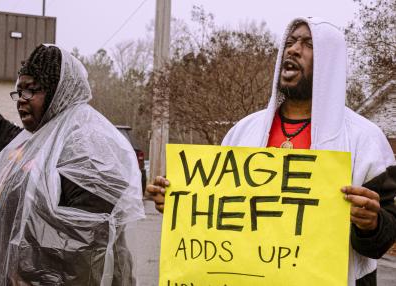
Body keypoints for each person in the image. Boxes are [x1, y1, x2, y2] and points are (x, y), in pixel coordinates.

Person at [146, 17, 396, 286]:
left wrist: (371, 224)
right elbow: (217, 214)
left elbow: (383, 236)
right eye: (289, 43)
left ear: (330, 61)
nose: (293, 50)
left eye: (308, 44)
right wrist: (180, 204)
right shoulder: (243, 133)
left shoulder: (364, 139)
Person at [0, 2, 145, 285]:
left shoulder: (87, 155)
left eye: (32, 89)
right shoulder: (18, 147)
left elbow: (85, 252)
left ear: (59, 93)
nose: (21, 98)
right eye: (19, 90)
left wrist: (27, 273)